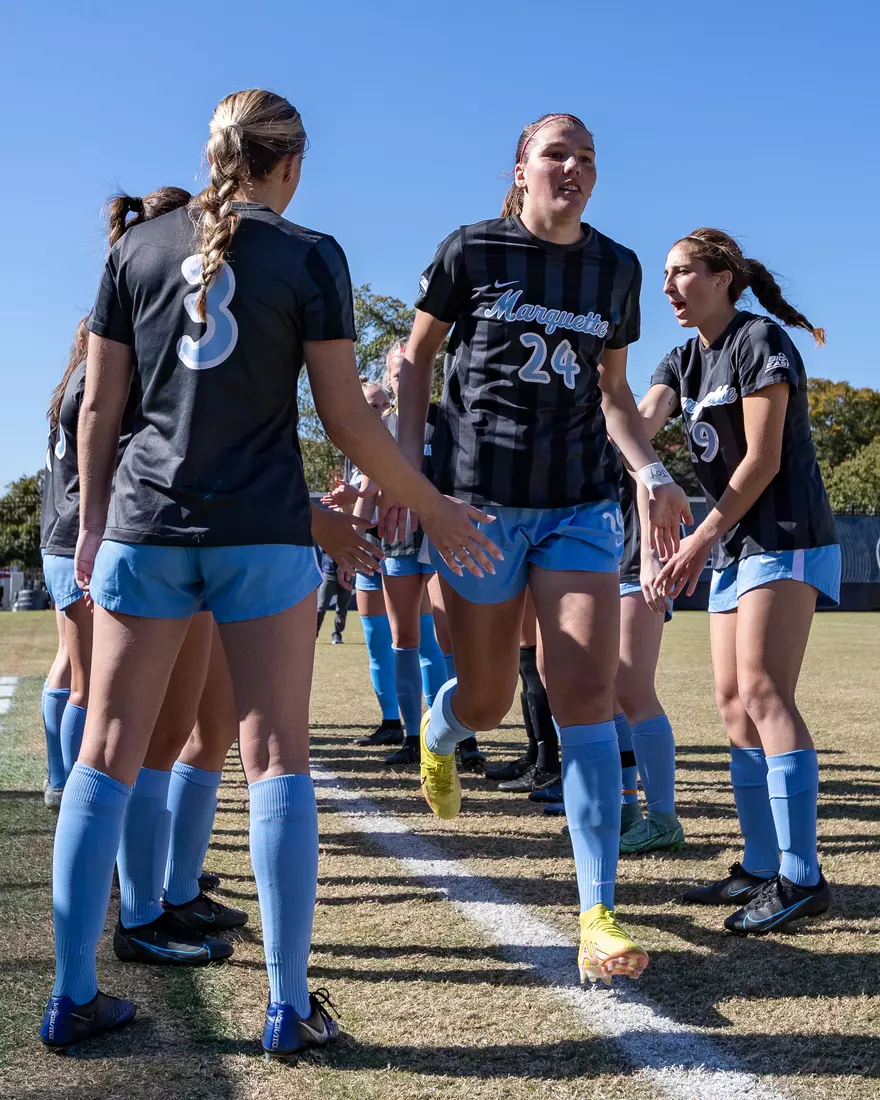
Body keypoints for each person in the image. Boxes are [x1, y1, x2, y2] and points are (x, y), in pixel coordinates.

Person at [41, 88, 497, 1058]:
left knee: (105, 754)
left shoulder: (135, 249)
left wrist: (88, 525)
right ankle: (287, 1004)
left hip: (142, 527)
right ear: (288, 164)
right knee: (276, 759)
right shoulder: (308, 254)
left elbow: (98, 410)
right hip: (261, 534)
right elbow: (345, 415)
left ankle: (71, 992)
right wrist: (431, 501)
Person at [389, 112, 691, 984]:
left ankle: (596, 909)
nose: (575, 167)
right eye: (557, 153)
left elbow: (615, 394)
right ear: (519, 169)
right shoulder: (470, 252)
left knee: (585, 692)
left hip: (579, 506)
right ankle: (442, 734)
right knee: (486, 701)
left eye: (588, 157)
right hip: (476, 510)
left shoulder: (616, 267)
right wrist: (412, 473)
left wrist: (648, 470)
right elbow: (413, 362)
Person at [639, 227, 838, 933]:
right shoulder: (680, 359)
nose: (668, 287)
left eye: (683, 272)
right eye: (664, 274)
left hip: (786, 538)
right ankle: (759, 864)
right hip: (732, 544)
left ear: (724, 277)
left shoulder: (760, 343)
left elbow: (762, 462)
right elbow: (639, 426)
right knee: (731, 704)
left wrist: (694, 537)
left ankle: (801, 876)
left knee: (762, 689)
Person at [354, 344, 459, 766]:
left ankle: (456, 734)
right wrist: (357, 532)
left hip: (438, 539)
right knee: (403, 640)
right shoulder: (380, 427)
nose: (402, 380)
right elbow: (369, 488)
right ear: (388, 375)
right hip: (397, 541)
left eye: (410, 372)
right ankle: (411, 738)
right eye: (396, 373)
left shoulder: (445, 422)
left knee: (446, 636)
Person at [615, 471, 683, 854]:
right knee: (603, 692)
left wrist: (650, 556)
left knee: (631, 690)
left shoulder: (621, 411)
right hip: (600, 548)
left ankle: (662, 819)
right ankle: (625, 808)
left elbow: (645, 470)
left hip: (637, 550)